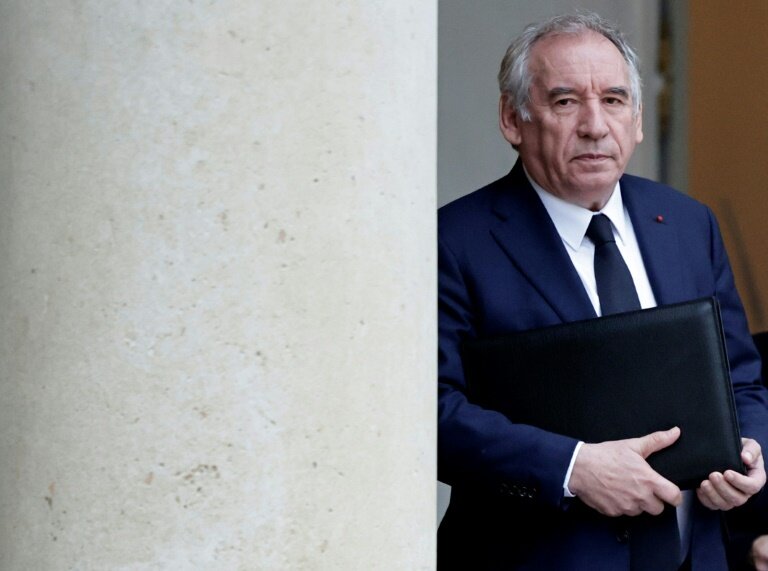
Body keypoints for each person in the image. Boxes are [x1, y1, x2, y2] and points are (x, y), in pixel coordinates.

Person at [437, 11, 768, 571]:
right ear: (512, 119)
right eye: (566, 101)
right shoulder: (452, 241)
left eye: (614, 100)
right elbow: (431, 411)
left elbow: (744, 379)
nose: (595, 125)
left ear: (638, 120)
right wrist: (573, 467)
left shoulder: (688, 223)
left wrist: (753, 454)